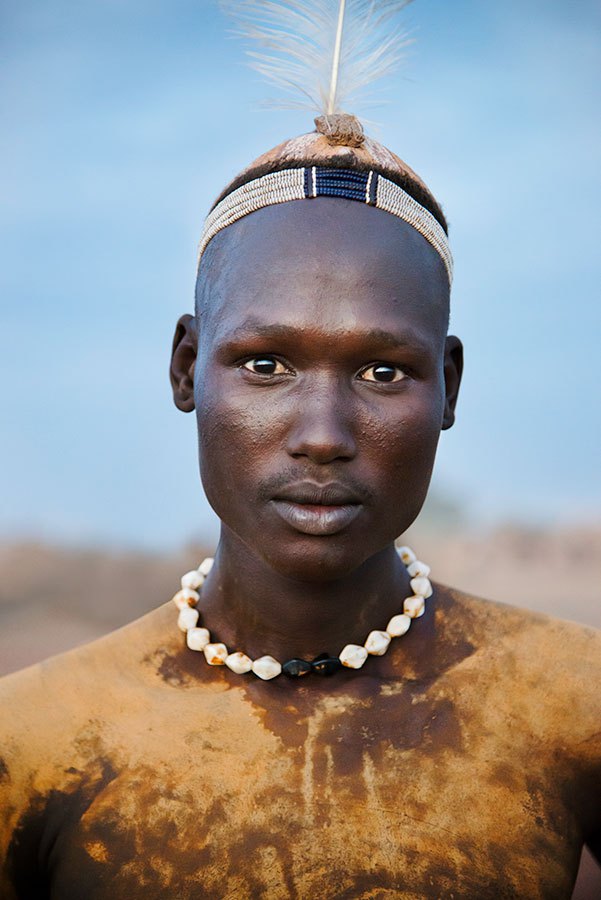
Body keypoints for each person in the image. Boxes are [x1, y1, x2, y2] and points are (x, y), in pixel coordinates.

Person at [1, 6, 600, 894]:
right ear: (186, 368)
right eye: (266, 363)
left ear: (449, 388)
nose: (322, 435)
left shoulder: (573, 704)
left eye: (384, 373)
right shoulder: (37, 739)